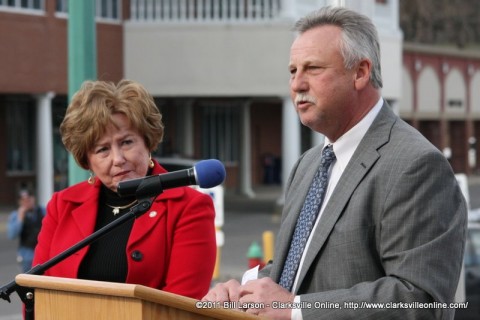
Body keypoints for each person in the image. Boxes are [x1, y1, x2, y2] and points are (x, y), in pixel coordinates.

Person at [202, 6, 467, 319]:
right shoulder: (308, 164)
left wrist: (297, 310)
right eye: (292, 71)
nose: (297, 84)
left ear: (360, 72)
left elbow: (420, 300)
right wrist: (243, 289)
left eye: (312, 68)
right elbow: (297, 268)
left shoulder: (416, 165)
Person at [32, 79, 217, 300]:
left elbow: (181, 305)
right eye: (103, 149)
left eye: (127, 142)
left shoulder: (189, 206)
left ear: (147, 142)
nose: (118, 159)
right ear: (87, 160)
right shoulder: (62, 205)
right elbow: (37, 292)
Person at [7, 190, 45, 273]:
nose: (27, 202)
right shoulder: (15, 215)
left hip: (42, 250)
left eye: (29, 199)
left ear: (33, 198)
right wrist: (20, 218)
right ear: (19, 202)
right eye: (23, 200)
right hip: (26, 253)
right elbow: (12, 235)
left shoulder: (42, 211)